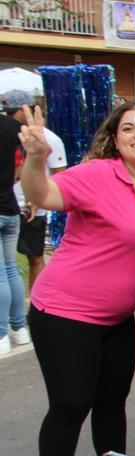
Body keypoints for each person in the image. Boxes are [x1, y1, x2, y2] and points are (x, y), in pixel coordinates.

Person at [18, 102, 135, 456]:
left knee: (111, 403)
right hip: (65, 314)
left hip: (117, 320)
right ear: (116, 137)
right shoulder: (98, 175)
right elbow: (42, 195)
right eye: (129, 128)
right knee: (70, 407)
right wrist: (34, 158)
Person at [4, 90, 65, 298]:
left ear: (27, 110)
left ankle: (36, 304)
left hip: (31, 209)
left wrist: (36, 202)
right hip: (9, 205)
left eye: (16, 113)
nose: (12, 118)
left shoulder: (51, 139)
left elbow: (60, 176)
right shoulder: (12, 136)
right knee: (8, 265)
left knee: (34, 258)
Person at [0, 90, 26, 354]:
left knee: (1, 272)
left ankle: (1, 335)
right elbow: (19, 172)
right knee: (10, 269)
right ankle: (19, 329)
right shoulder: (21, 134)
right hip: (10, 204)